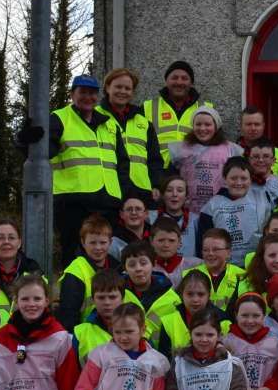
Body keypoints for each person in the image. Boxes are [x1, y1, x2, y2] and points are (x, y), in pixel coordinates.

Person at [16, 74, 129, 264]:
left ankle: (107, 292)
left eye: (92, 93)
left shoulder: (109, 124)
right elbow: (42, 154)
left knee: (108, 255)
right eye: (82, 92)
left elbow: (122, 164)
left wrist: (125, 196)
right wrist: (23, 141)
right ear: (72, 94)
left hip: (108, 201)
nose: (88, 97)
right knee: (74, 256)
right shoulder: (59, 118)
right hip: (73, 202)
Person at [97, 67, 164, 203]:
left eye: (127, 88)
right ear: (107, 88)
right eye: (118, 87)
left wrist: (156, 185)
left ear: (133, 92)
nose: (122, 91)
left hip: (141, 190)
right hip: (109, 190)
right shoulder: (95, 116)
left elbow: (154, 158)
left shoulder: (144, 122)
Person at [168, 106, 244, 214]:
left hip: (221, 210)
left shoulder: (230, 149)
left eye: (208, 125)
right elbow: (171, 177)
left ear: (216, 127)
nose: (202, 129)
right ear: (192, 126)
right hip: (188, 211)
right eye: (198, 124)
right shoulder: (182, 149)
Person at [197, 156, 271, 265]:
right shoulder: (211, 206)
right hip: (223, 268)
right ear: (225, 179)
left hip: (256, 265)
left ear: (251, 179)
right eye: (233, 178)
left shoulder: (262, 199)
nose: (239, 182)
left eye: (244, 178)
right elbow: (203, 243)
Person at [143, 60, 214, 168]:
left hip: (194, 173)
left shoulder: (206, 109)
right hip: (158, 174)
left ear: (191, 83)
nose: (179, 82)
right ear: (166, 81)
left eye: (184, 78)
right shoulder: (147, 107)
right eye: (174, 78)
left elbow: (217, 145)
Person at [57, 214, 120, 332]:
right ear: (83, 242)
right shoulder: (75, 271)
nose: (98, 247)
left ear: (110, 242)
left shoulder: (118, 267)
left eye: (102, 242)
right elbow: (68, 316)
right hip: (86, 336)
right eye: (92, 243)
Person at [223, 293, 278, 390]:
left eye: (256, 316)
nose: (250, 321)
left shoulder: (277, 345)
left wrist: (272, 389)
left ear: (264, 316)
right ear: (236, 315)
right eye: (245, 315)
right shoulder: (225, 343)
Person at [155, 270, 229, 358]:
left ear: (209, 295)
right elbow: (164, 360)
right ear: (182, 294)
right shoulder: (168, 322)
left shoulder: (223, 321)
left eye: (201, 294)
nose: (195, 299)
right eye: (190, 294)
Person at [72, 269, 126, 365]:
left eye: (112, 297)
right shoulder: (80, 334)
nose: (107, 303)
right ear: (93, 300)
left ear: (122, 299)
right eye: (101, 297)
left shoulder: (137, 330)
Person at [191, 228, 247, 313]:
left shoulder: (242, 276)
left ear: (228, 252)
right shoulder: (189, 275)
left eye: (216, 249)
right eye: (206, 250)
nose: (210, 253)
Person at [149, 175, 200, 258]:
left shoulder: (196, 220)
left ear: (186, 196)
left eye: (180, 190)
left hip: (189, 268)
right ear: (162, 195)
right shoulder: (151, 217)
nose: (174, 194)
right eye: (169, 190)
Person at [121, 241, 172, 317]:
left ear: (154, 264)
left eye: (143, 263)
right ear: (125, 268)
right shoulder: (117, 293)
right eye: (132, 265)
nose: (138, 269)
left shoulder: (169, 295)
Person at [149, 216, 202, 290]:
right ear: (151, 241)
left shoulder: (196, 265)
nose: (166, 245)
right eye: (161, 240)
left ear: (180, 241)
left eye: (171, 240)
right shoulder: (146, 268)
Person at [238, 106, 278, 175]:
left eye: (257, 124)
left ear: (263, 126)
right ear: (240, 126)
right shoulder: (231, 152)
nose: (253, 128)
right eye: (248, 124)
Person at [109, 195, 151, 259]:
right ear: (121, 214)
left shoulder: (156, 234)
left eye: (138, 209)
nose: (133, 213)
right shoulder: (114, 241)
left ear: (146, 214)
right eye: (129, 209)